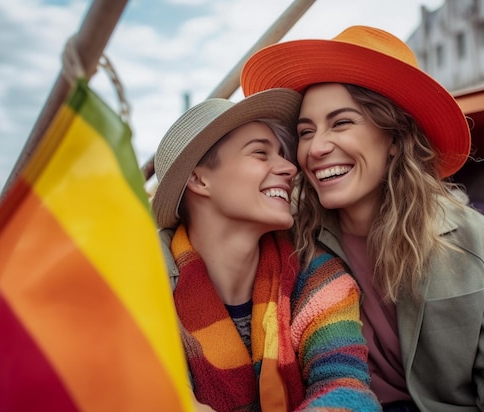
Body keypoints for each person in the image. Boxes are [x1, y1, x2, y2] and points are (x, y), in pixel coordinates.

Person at [240, 26, 484, 411]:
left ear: (394, 137)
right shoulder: (286, 236)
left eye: (341, 123)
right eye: (306, 132)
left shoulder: (466, 235)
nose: (317, 148)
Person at [151, 88, 381, 411]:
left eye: (282, 154)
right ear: (199, 180)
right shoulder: (147, 287)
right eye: (260, 154)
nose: (290, 168)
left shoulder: (317, 277)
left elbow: (345, 386)